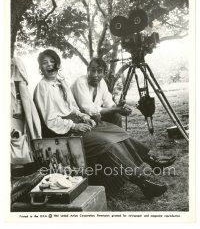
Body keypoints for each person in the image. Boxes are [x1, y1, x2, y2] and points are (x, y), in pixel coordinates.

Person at [33, 49, 176, 199]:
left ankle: (150, 161)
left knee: (117, 132)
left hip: (76, 123)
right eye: (45, 62)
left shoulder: (60, 82)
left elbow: (72, 107)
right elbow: (50, 120)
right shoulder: (43, 87)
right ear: (40, 67)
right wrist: (74, 125)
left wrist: (83, 116)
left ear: (57, 64)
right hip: (63, 132)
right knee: (107, 143)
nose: (49, 65)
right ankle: (143, 184)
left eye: (52, 62)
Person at [72, 58, 132, 127]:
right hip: (77, 117)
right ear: (88, 70)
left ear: (104, 73)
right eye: (93, 70)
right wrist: (116, 109)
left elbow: (109, 103)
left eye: (99, 71)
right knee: (96, 116)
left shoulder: (102, 83)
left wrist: (120, 108)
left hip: (93, 116)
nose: (95, 75)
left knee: (116, 115)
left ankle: (119, 137)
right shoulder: (81, 82)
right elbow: (88, 109)